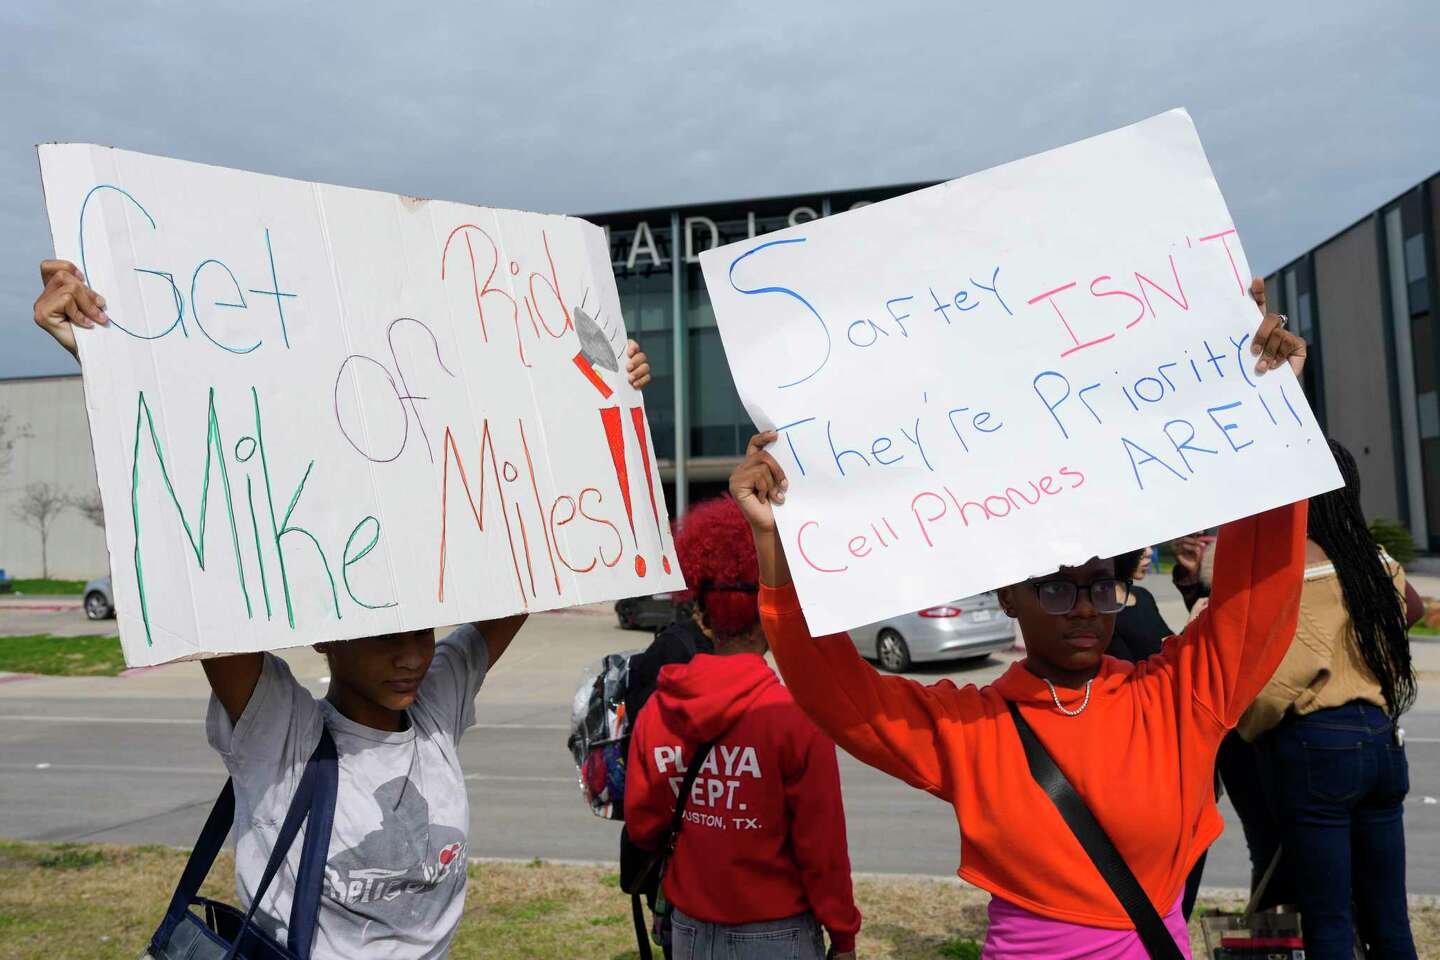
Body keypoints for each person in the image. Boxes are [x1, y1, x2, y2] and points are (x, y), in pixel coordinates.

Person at [32, 259, 652, 958]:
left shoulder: (434, 708)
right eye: (382, 634)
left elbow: (530, 550)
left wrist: (602, 401)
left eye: (422, 629)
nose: (412, 654)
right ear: (324, 634)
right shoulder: (282, 734)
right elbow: (198, 537)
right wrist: (100, 357)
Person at [731, 280, 1307, 958]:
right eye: (1058, 592)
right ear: (1009, 596)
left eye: (1100, 586)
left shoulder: (1177, 700)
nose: (1086, 608)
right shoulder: (974, 731)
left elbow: (1257, 602)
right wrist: (776, 546)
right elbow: (838, 695)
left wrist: (1273, 407)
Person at [625, 496, 862, 960]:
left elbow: (643, 823)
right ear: (768, 609)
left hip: (689, 929)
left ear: (701, 613)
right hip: (776, 934)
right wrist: (844, 934)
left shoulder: (660, 709)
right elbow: (823, 849)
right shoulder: (796, 718)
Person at [1238, 439, 1421, 959]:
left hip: (1317, 748)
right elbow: (1408, 610)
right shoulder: (1372, 561)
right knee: (1389, 916)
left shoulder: (1289, 571)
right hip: (1383, 739)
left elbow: (1274, 688)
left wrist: (1247, 728)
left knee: (1328, 918)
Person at [1108, 547, 1171, 664]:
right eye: (1142, 546)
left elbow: (1168, 641)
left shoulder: (1143, 595)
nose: (1150, 552)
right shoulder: (1103, 611)